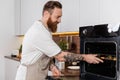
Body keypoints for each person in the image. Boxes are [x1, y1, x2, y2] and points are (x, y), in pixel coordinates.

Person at [15, 1, 103, 80]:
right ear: (46, 14)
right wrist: (86, 57)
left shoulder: (45, 30)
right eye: (57, 17)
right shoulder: (39, 32)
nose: (60, 20)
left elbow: (43, 55)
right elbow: (60, 56)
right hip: (28, 76)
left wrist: (52, 67)